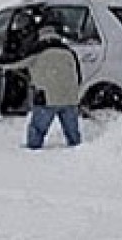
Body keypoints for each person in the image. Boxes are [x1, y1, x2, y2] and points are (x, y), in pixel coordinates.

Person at [18, 10, 82, 149]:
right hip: (69, 98)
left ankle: (33, 148)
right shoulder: (68, 51)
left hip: (46, 99)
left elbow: (17, 62)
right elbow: (79, 75)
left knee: (38, 129)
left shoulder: (37, 50)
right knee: (73, 134)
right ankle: (76, 146)